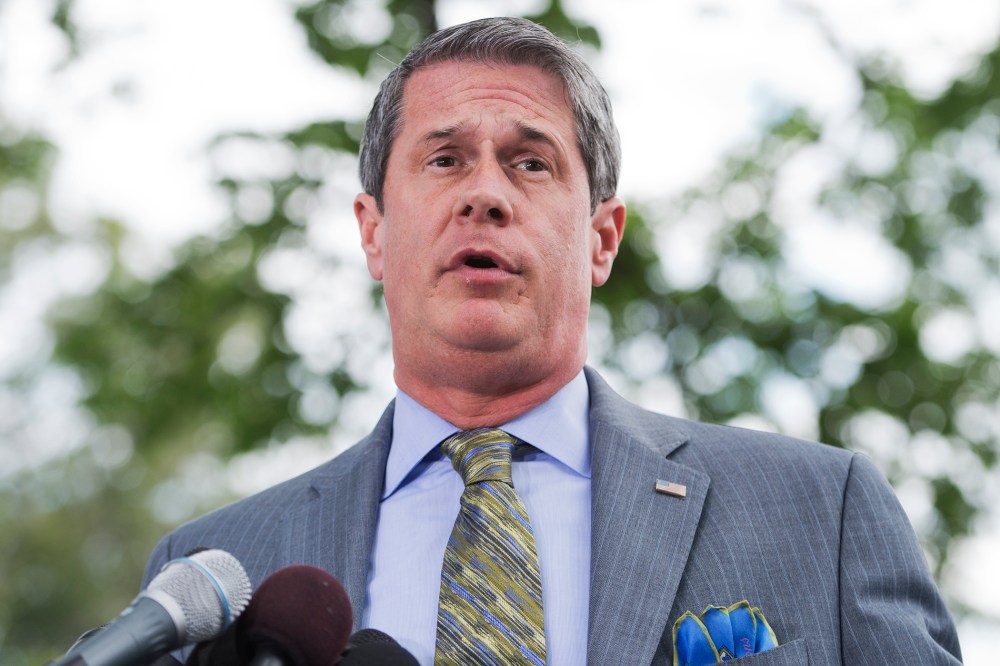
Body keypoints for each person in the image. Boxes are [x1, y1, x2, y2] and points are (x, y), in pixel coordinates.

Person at [142, 16, 963, 665]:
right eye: (445, 159)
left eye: (531, 163)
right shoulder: (218, 574)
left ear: (602, 239)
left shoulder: (823, 513)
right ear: (373, 233)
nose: (486, 195)